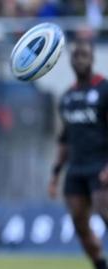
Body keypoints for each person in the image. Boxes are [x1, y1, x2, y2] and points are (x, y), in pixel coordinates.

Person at [49, 39, 108, 269]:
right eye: (75, 55)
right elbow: (64, 139)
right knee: (79, 223)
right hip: (76, 168)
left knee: (104, 211)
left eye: (84, 55)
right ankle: (100, 264)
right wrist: (55, 175)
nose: (79, 59)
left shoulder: (104, 89)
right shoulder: (67, 97)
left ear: (92, 58)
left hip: (100, 165)